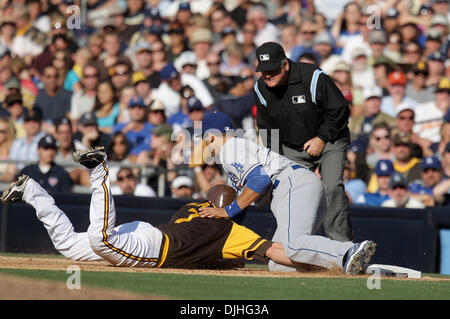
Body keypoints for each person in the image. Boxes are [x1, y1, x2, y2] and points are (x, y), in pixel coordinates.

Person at [0, 157, 285, 270]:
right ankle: (99, 170)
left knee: (67, 245)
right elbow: (271, 250)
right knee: (101, 240)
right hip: (154, 247)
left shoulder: (194, 208)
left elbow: (198, 247)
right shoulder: (232, 230)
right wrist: (313, 258)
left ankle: (30, 191)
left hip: (147, 232)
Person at [191, 111, 376, 274]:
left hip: (292, 184)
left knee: (293, 244)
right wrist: (224, 229)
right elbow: (241, 205)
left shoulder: (230, 149)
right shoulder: (237, 150)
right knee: (279, 264)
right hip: (300, 186)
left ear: (210, 137)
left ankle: (348, 251)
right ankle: (343, 266)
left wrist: (226, 211)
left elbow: (260, 180)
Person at [253, 41, 353, 242]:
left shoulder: (313, 77)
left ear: (285, 65)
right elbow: (267, 128)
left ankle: (343, 247)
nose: (267, 75)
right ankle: (296, 245)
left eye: (272, 69)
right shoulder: (260, 89)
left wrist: (322, 138)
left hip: (330, 139)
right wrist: (275, 163)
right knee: (294, 192)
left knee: (331, 187)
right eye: (263, 71)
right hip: (292, 147)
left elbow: (340, 110)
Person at [34, 65, 72, 133]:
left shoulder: (67, 95)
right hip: (42, 131)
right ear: (42, 78)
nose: (52, 80)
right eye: (48, 77)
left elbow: (69, 119)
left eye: (55, 76)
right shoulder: (39, 95)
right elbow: (35, 118)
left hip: (61, 132)